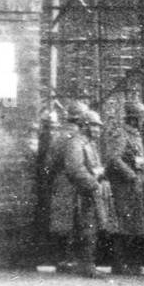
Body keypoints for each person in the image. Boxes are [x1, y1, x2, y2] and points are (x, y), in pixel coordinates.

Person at [49, 109, 115, 277]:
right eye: (94, 126)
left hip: (88, 191)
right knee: (86, 228)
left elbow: (94, 167)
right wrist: (93, 184)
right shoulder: (76, 143)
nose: (97, 130)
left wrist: (100, 178)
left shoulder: (88, 144)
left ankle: (86, 264)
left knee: (89, 228)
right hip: (79, 192)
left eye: (98, 127)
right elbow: (75, 168)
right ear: (84, 126)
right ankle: (85, 265)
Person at [105, 100, 144, 276]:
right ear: (134, 119)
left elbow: (133, 157)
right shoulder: (121, 134)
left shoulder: (135, 135)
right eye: (141, 118)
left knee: (136, 225)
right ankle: (119, 263)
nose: (143, 122)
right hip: (125, 187)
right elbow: (113, 158)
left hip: (137, 186)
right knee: (123, 224)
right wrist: (130, 174)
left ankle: (130, 262)